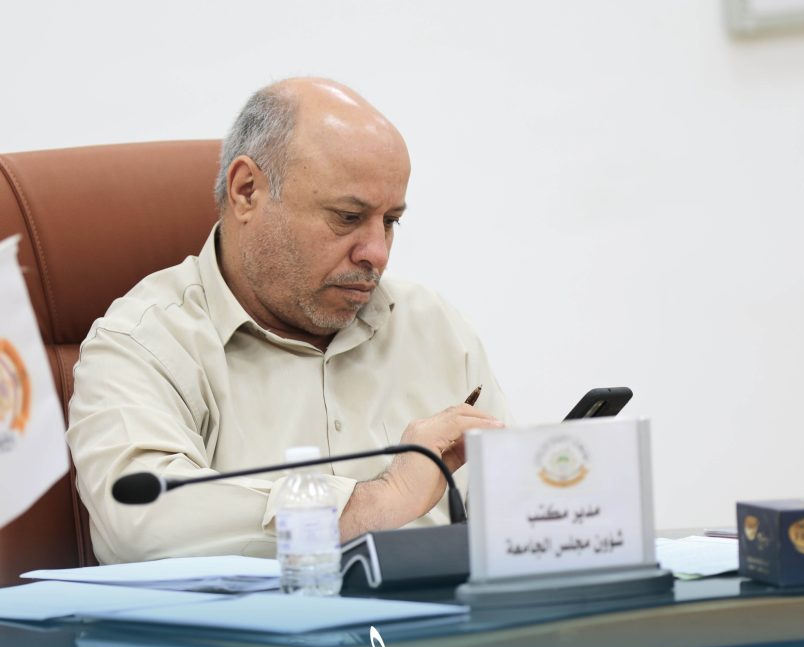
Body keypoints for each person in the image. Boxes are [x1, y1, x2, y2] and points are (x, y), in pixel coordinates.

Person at [68, 78, 511, 564]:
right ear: (246, 191)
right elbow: (143, 522)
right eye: (347, 217)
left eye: (390, 222)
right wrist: (380, 501)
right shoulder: (142, 343)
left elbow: (518, 515)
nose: (377, 254)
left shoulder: (433, 326)